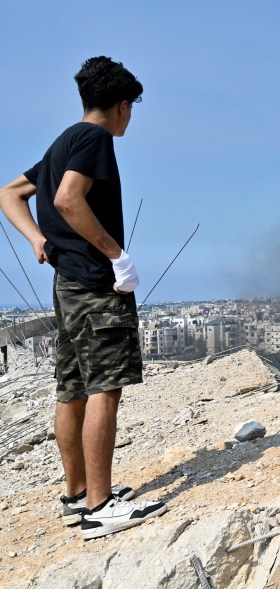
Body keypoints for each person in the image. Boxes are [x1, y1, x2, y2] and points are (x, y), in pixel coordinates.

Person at [0, 56, 166, 540]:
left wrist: (36, 240)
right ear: (121, 106)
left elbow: (10, 193)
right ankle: (99, 507)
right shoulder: (94, 139)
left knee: (71, 387)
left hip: (66, 284)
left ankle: (76, 495)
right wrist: (117, 255)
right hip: (94, 284)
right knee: (104, 389)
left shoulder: (62, 141)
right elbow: (69, 199)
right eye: (130, 108)